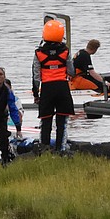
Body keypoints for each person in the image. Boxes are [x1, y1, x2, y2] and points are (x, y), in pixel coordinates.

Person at [36, 20, 75, 153]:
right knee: (62, 121)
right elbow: (71, 71)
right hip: (62, 88)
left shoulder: (38, 53)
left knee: (45, 121)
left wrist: (36, 94)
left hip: (47, 89)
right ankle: (61, 150)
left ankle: (44, 149)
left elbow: (36, 76)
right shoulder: (65, 51)